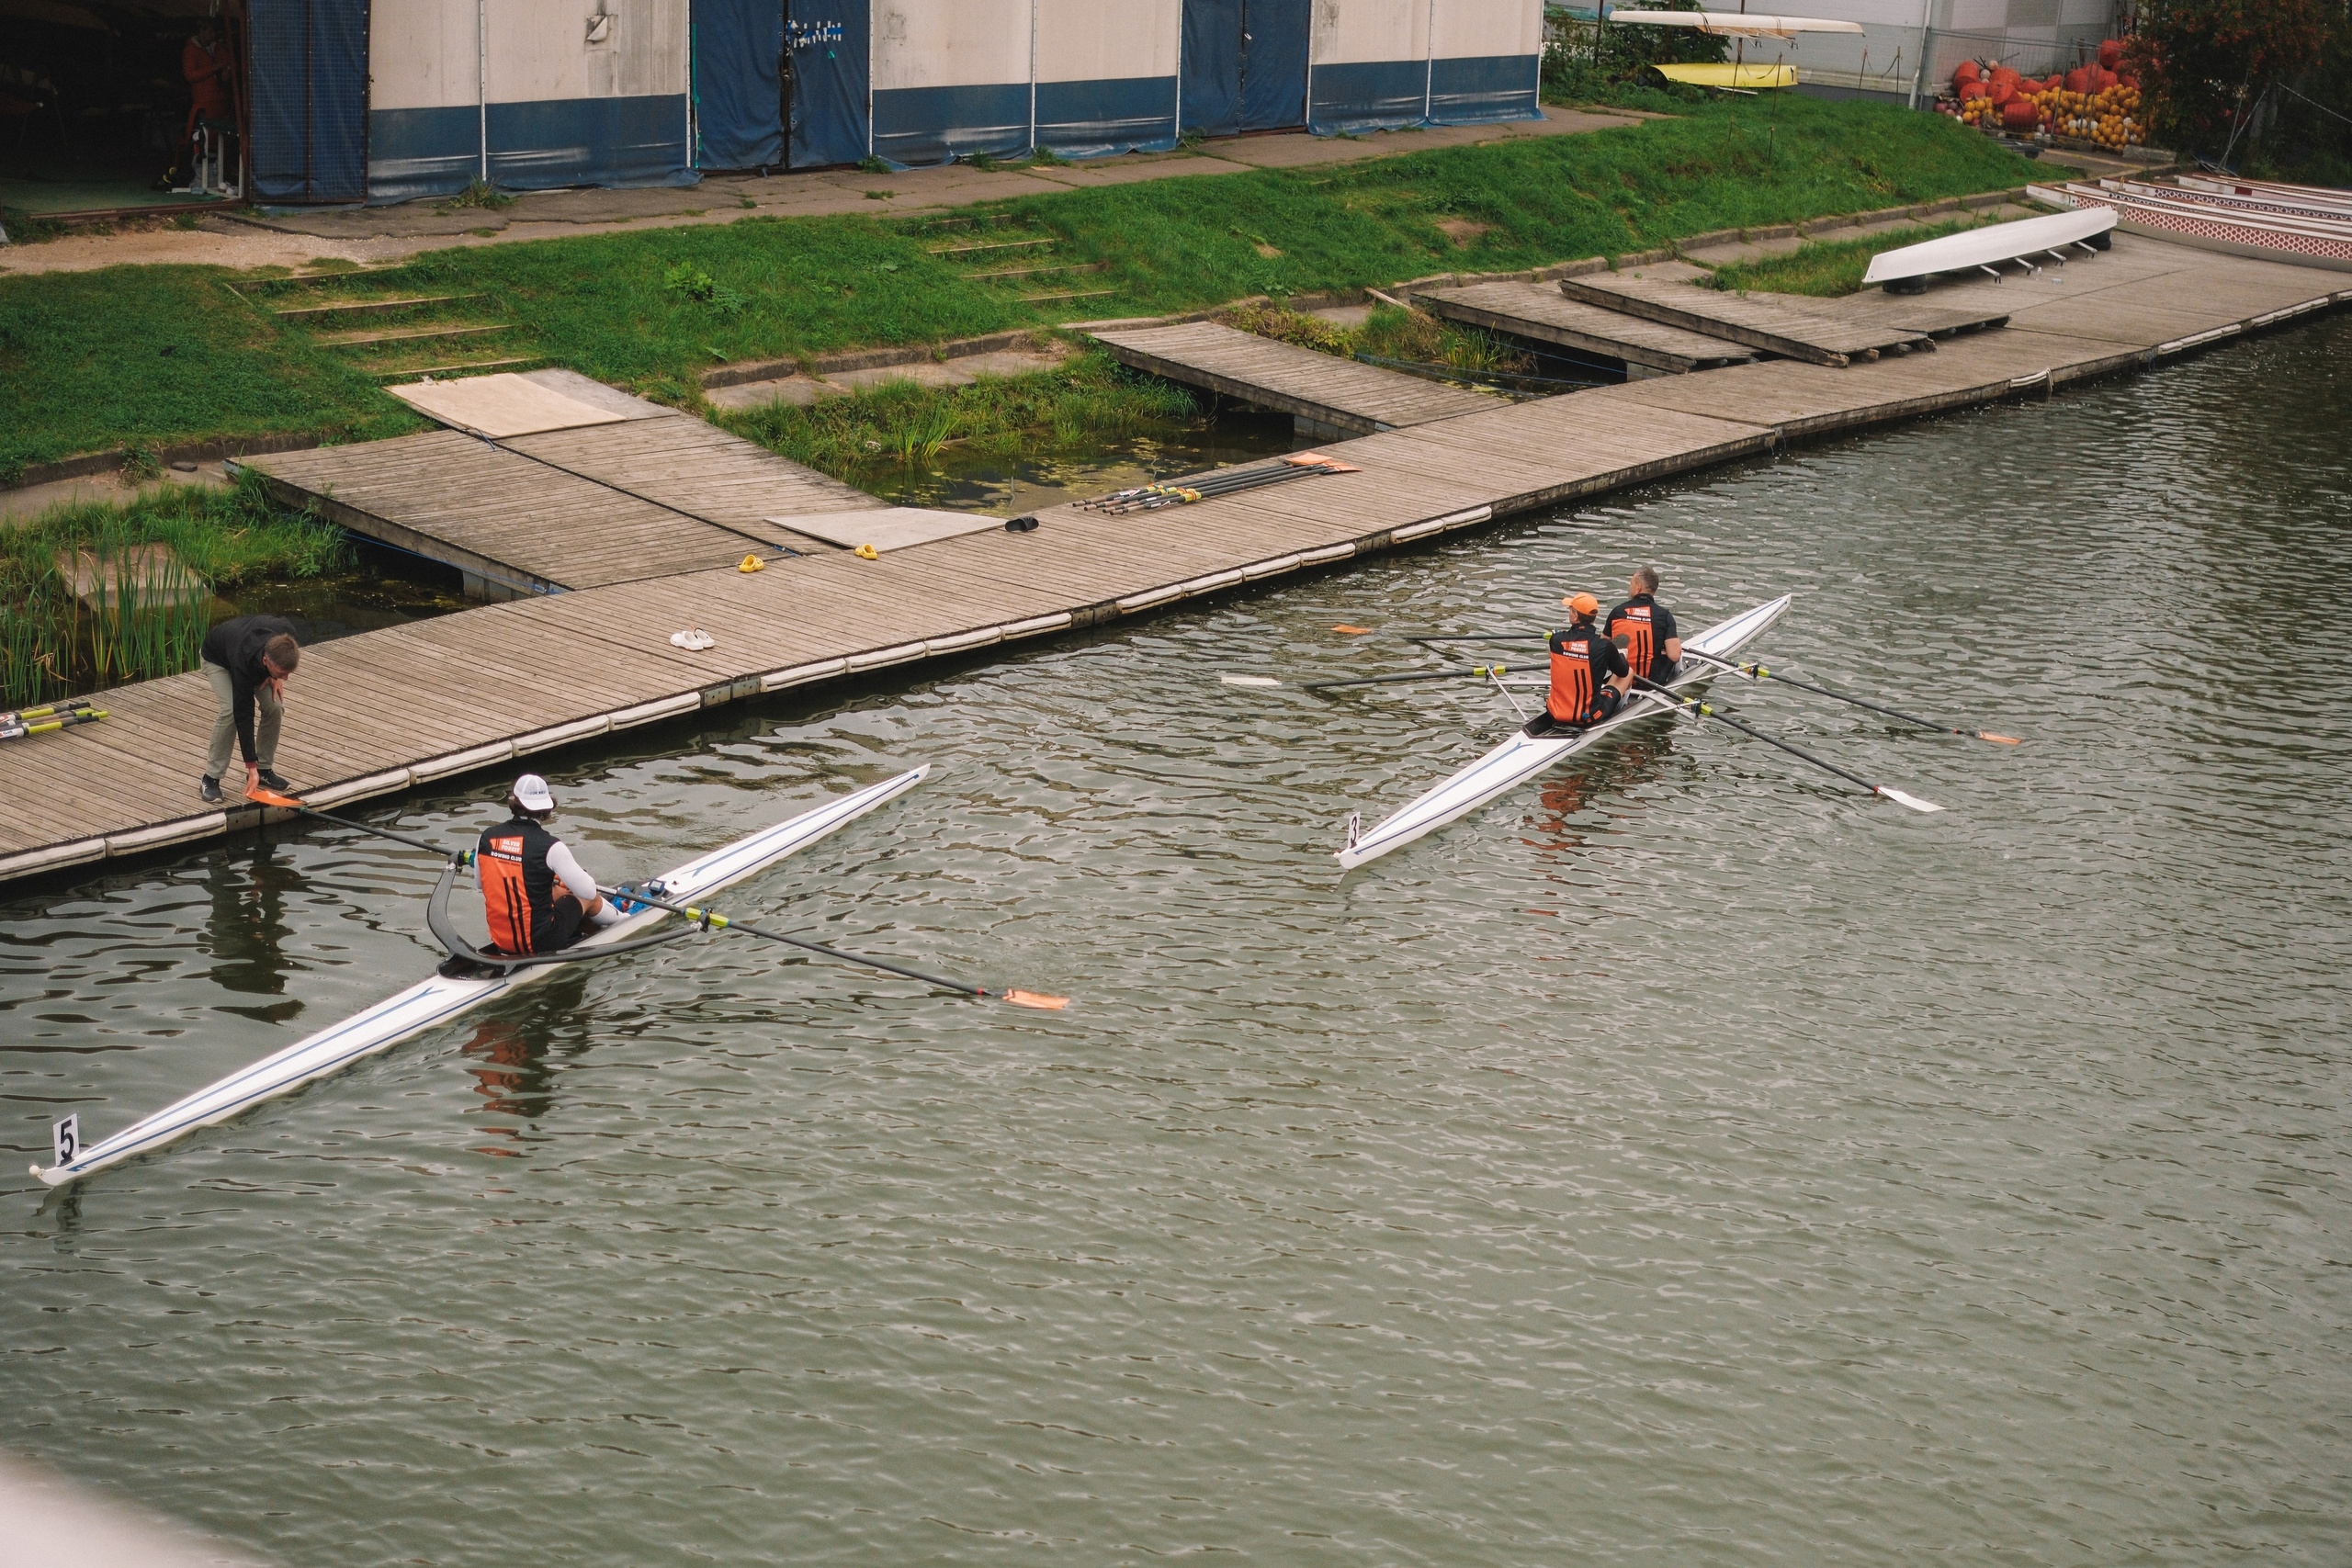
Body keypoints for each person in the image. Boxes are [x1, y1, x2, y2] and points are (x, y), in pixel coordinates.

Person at [475, 774, 620, 956]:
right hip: (540, 943)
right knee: (587, 895)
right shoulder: (550, 846)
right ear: (547, 806)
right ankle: (627, 921)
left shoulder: (486, 837)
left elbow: (481, 884)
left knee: (558, 892)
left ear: (515, 802)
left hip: (500, 940)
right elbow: (589, 891)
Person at [200, 615, 299, 803]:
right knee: (230, 711)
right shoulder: (242, 661)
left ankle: (264, 770)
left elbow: (282, 660)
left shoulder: (288, 637)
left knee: (275, 706)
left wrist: (276, 676)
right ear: (265, 661)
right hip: (218, 659)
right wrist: (249, 767)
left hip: (248, 654)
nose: (285, 679)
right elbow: (244, 715)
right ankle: (210, 778)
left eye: (288, 673)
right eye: (281, 673)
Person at [1531, 592, 1629, 735]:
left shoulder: (1556, 640)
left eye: (1570, 610)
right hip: (1588, 718)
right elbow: (1622, 672)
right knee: (1629, 672)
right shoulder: (1604, 646)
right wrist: (1620, 655)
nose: (1569, 612)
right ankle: (1625, 706)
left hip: (1555, 714)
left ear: (1576, 616)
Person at [1605, 566, 1683, 699]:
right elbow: (1675, 656)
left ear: (1639, 587)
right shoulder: (1664, 616)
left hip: (1620, 681)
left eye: (1631, 584)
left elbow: (1604, 646)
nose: (1630, 588)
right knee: (1676, 654)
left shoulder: (1618, 611)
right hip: (1652, 683)